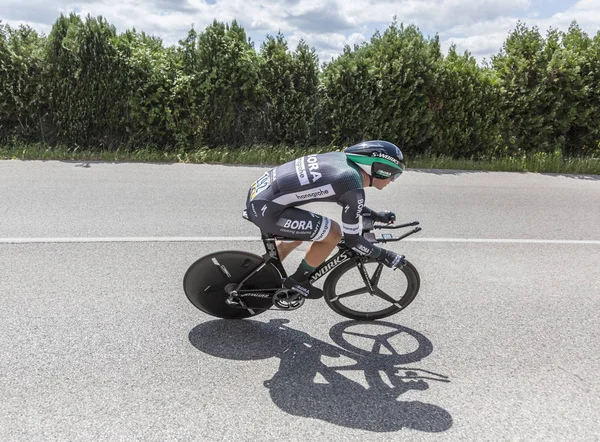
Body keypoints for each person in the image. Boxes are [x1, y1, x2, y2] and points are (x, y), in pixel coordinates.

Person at [245, 140, 406, 299]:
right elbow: (353, 241)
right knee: (333, 233)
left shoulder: (342, 162)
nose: (392, 180)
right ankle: (298, 280)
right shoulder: (352, 185)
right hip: (267, 211)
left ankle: (256, 278)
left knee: (295, 239)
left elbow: (342, 195)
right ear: (380, 169)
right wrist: (386, 256)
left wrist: (373, 214)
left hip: (260, 196)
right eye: (394, 174)